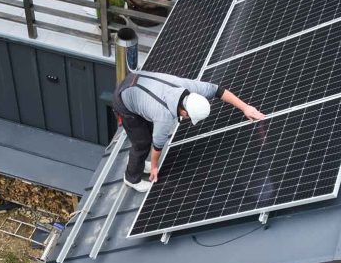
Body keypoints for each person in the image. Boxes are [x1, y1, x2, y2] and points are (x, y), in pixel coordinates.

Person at [112, 70, 265, 192]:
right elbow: (158, 145)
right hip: (123, 100)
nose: (186, 118)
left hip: (137, 81)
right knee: (143, 143)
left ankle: (137, 165)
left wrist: (246, 107)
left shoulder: (188, 87)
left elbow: (218, 91)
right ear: (184, 110)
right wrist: (153, 167)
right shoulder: (164, 117)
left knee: (148, 129)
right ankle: (131, 178)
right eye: (189, 116)